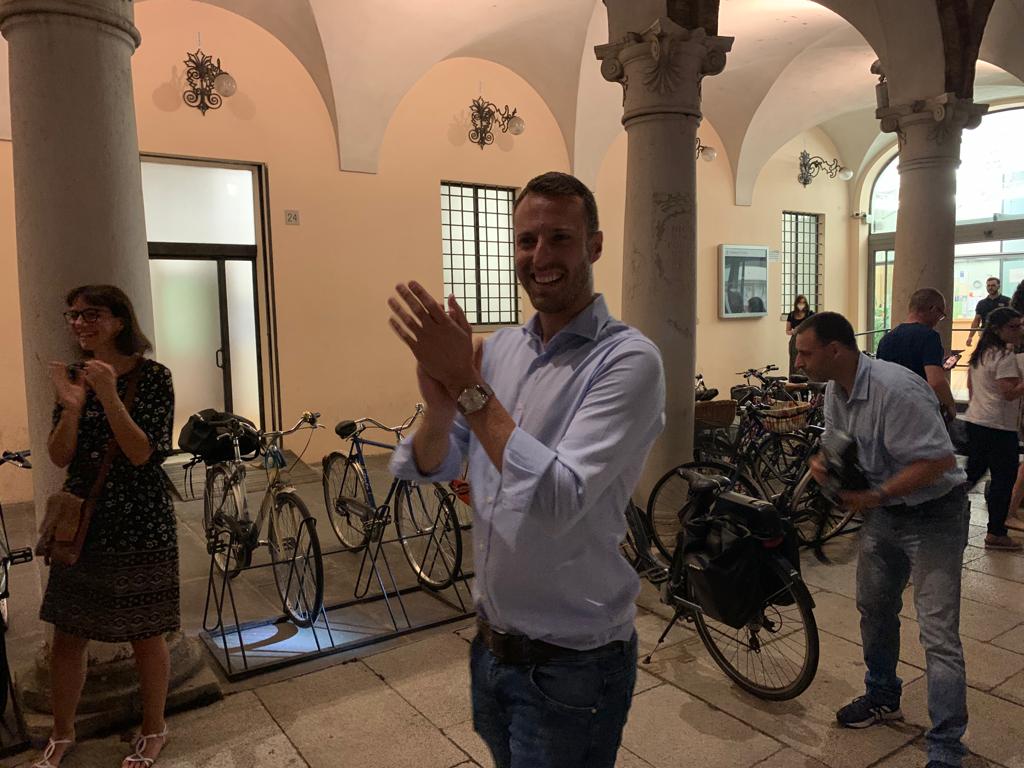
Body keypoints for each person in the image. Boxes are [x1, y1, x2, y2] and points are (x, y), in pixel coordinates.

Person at [386, 171, 665, 768]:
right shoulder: (500, 350)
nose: (540, 257)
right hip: (491, 647)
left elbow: (559, 498)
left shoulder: (627, 360)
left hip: (573, 665)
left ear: (594, 245)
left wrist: (465, 384)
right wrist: (440, 411)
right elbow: (433, 465)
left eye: (560, 238)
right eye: (526, 240)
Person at [796, 311, 969, 768]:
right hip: (885, 515)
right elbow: (839, 441)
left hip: (935, 515)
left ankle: (947, 746)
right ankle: (882, 696)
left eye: (805, 353)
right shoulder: (836, 390)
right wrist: (825, 463)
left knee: (938, 633)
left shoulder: (896, 389)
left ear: (835, 350)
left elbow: (938, 461)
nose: (798, 363)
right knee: (874, 608)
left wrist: (875, 495)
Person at [35, 286, 177, 768]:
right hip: (83, 521)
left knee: (147, 632)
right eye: (73, 315)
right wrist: (73, 407)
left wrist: (110, 395)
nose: (79, 323)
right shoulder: (75, 377)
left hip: (140, 518)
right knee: (68, 634)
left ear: (119, 321)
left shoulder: (154, 377)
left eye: (91, 314)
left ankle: (155, 730)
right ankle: (61, 734)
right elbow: (59, 456)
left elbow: (141, 453)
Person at [962, 307, 1024, 550]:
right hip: (998, 427)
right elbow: (1009, 393)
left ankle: (939, 509)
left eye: (1020, 325)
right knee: (1003, 481)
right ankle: (996, 532)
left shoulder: (982, 353)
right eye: (1013, 327)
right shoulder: (1004, 356)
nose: (1019, 331)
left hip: (977, 421)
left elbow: (970, 386)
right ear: (998, 330)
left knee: (972, 474)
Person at [875, 288, 957, 422]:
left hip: (891, 409)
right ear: (933, 309)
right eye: (941, 315)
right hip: (918, 410)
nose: (939, 320)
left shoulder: (886, 339)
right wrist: (951, 406)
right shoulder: (929, 336)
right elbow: (936, 382)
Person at [965, 276, 1009, 347]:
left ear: (998, 286)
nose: (990, 288)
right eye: (988, 285)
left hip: (1002, 334)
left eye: (993, 285)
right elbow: (976, 321)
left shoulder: (1007, 301)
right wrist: (970, 337)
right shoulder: (981, 303)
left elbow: (1013, 318)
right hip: (985, 334)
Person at [785, 294, 814, 375]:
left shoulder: (810, 314)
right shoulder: (791, 315)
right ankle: (794, 380)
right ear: (796, 303)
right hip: (795, 341)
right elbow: (787, 331)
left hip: (807, 341)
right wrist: (794, 331)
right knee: (795, 362)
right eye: (800, 303)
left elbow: (815, 326)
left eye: (803, 302)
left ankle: (806, 380)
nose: (801, 305)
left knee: (806, 362)